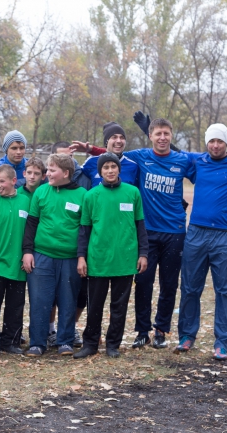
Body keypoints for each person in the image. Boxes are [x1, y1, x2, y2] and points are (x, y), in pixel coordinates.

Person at [72, 118, 196, 350]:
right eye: (158, 133)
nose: (162, 137)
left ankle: (161, 330)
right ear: (150, 136)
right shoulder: (140, 156)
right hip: (147, 229)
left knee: (169, 284)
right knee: (143, 282)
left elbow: (205, 164)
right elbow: (113, 156)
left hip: (175, 230)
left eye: (166, 133)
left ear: (171, 135)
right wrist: (90, 149)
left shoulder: (183, 159)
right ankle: (142, 331)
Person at [176, 124, 227, 360]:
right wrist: (149, 131)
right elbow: (168, 151)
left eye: (220, 141)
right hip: (196, 234)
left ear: (226, 143)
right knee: (190, 287)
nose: (215, 145)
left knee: (225, 291)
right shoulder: (197, 161)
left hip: (225, 237)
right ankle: (186, 336)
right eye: (211, 141)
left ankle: (222, 343)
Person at [73, 153, 148, 359]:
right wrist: (81, 257)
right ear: (100, 172)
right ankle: (90, 344)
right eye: (105, 167)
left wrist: (143, 253)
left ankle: (113, 344)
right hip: (98, 259)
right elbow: (84, 230)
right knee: (94, 305)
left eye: (113, 167)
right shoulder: (91, 196)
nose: (110, 170)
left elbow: (140, 226)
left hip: (125, 259)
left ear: (119, 169)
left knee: (119, 306)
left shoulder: (132, 193)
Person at [22, 154, 86, 357]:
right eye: (47, 169)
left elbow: (84, 229)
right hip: (42, 255)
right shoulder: (41, 192)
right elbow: (31, 224)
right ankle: (37, 343)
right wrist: (27, 252)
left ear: (66, 173)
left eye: (51, 170)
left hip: (70, 258)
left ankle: (65, 341)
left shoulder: (83, 195)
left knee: (68, 300)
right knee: (40, 300)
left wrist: (82, 256)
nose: (47, 173)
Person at [0, 164, 29, 355]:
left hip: (18, 264)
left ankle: (10, 341)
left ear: (13, 181)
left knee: (15, 305)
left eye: (2, 181)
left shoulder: (25, 201)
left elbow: (30, 231)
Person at [77, 122, 138, 187]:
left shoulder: (133, 166)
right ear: (106, 141)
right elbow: (74, 177)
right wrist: (69, 155)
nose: (119, 141)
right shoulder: (91, 162)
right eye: (114, 137)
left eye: (122, 137)